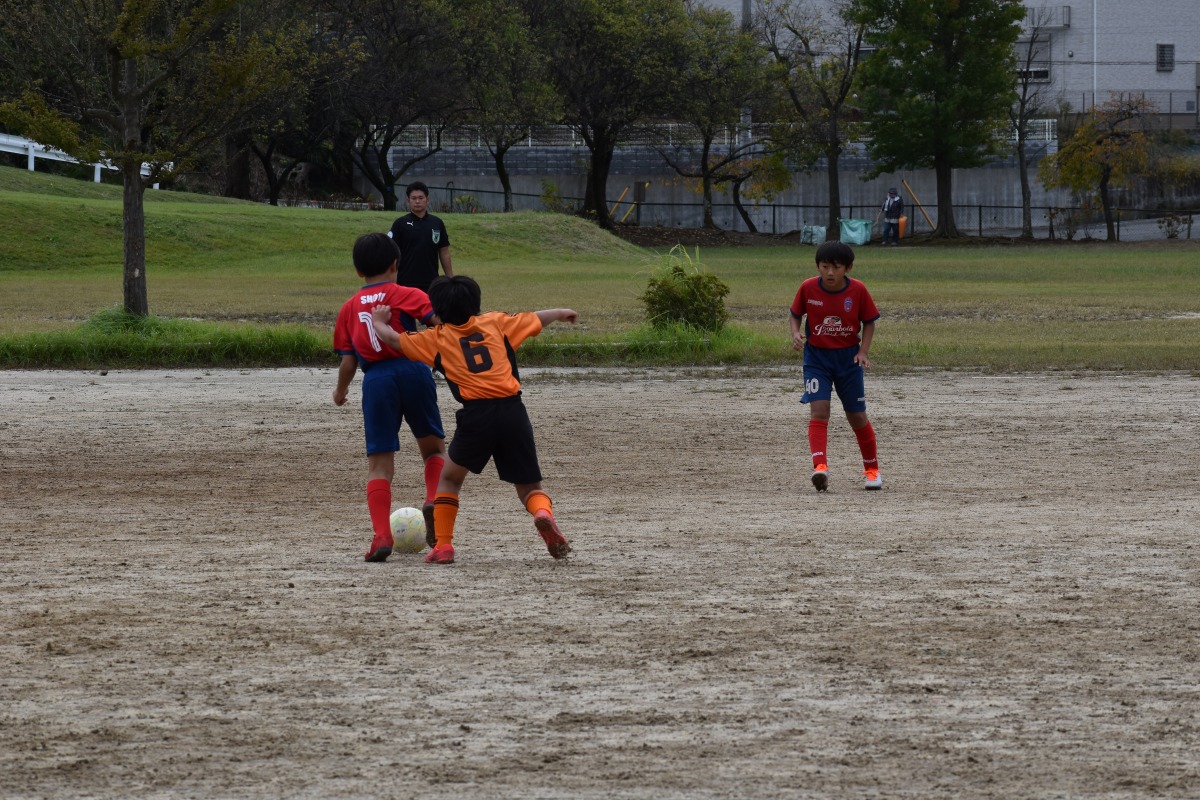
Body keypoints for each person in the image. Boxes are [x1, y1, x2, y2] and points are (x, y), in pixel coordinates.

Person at [370, 275, 577, 564]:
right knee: (530, 487)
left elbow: (393, 340)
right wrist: (560, 312)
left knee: (449, 479)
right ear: (476, 303)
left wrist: (378, 322)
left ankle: (443, 546)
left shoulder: (436, 338)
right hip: (513, 412)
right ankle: (542, 513)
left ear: (437, 311)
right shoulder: (496, 322)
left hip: (477, 416)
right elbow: (535, 318)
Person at [332, 232, 447, 562]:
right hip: (413, 370)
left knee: (379, 465)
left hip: (376, 382)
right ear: (396, 264)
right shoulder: (407, 294)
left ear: (358, 271)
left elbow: (348, 362)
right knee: (433, 448)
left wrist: (340, 391)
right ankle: (432, 499)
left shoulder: (349, 308)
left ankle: (382, 535)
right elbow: (440, 323)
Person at [789, 240, 883, 492]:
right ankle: (820, 467)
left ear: (848, 268)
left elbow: (869, 322)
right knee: (819, 411)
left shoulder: (858, 290)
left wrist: (863, 351)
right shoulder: (808, 288)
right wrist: (795, 332)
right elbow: (795, 314)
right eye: (825, 266)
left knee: (857, 416)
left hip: (848, 361)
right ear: (818, 266)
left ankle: (872, 470)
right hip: (816, 360)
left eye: (836, 267)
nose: (830, 272)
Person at [388, 181, 454, 292]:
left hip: (431, 283)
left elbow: (444, 252)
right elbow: (391, 255)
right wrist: (391, 282)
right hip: (405, 284)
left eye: (420, 198)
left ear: (427, 200)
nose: (417, 201)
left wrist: (451, 278)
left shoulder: (437, 223)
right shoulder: (400, 224)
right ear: (408, 201)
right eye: (413, 198)